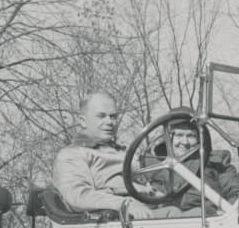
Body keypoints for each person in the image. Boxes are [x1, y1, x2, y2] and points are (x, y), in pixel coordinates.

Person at [52, 91, 167, 219]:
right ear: (83, 121)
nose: (109, 122)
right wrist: (125, 204)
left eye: (113, 116)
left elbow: (152, 175)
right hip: (116, 221)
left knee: (182, 209)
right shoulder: (72, 154)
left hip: (144, 211)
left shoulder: (123, 153)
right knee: (176, 214)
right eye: (101, 116)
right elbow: (78, 196)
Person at [152, 108, 239, 214]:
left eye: (190, 136)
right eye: (179, 135)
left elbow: (237, 190)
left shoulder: (215, 162)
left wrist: (226, 213)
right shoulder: (156, 167)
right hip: (163, 222)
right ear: (168, 138)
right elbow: (146, 195)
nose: (185, 142)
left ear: (199, 138)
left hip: (204, 219)